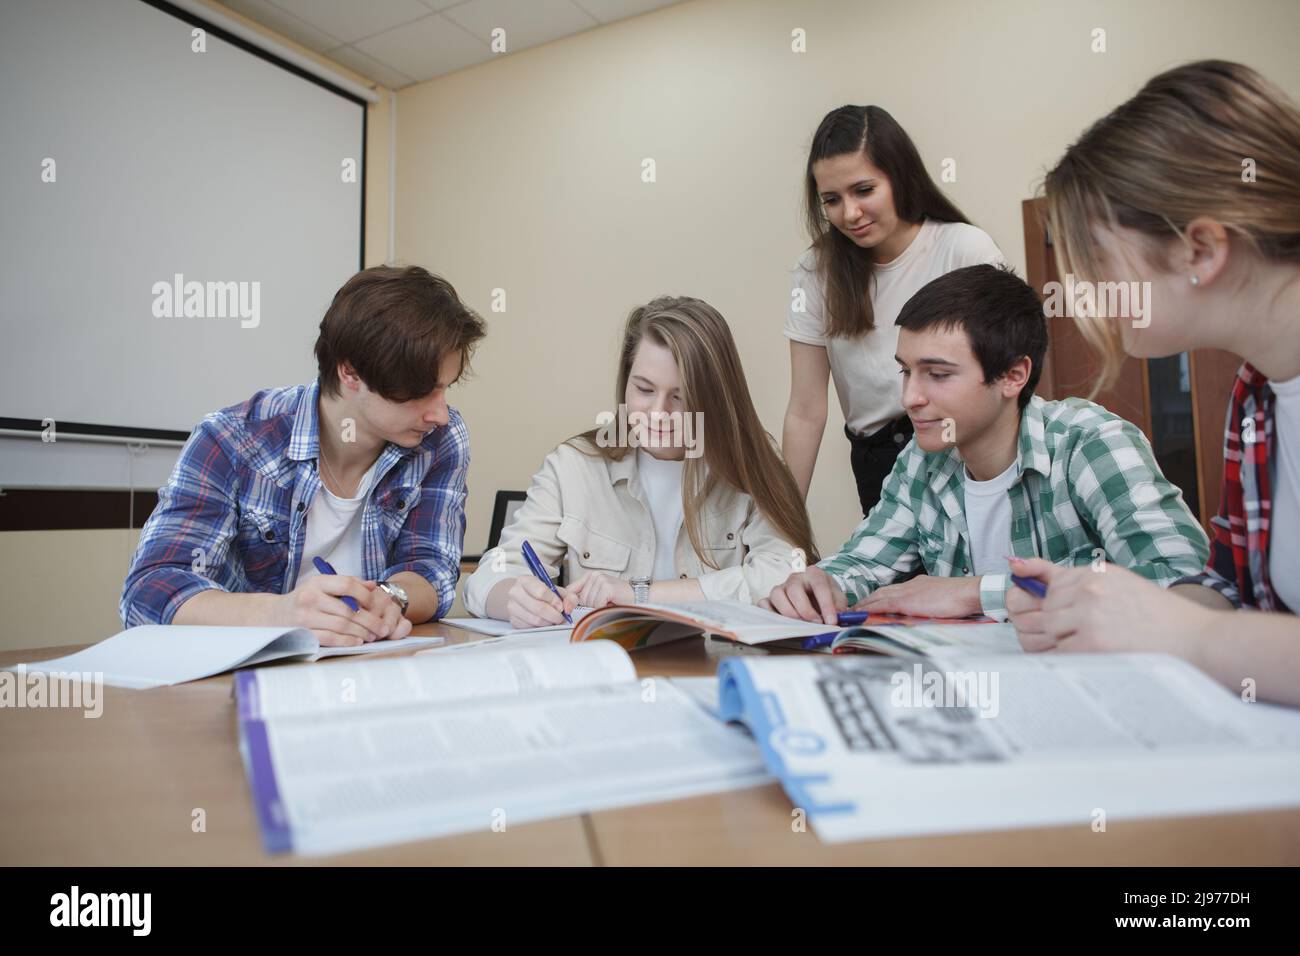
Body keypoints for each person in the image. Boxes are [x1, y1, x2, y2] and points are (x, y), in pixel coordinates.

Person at [1007, 60, 1300, 706]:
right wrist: (1105, 609)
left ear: (1200, 249)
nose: (1082, 294)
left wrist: (1186, 635)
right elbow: (1230, 587)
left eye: (1099, 265)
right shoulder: (1258, 395)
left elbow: (1207, 631)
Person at [763, 264, 1209, 623]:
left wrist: (975, 593)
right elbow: (863, 561)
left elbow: (1183, 582)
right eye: (906, 371)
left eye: (937, 375)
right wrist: (822, 582)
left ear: (1013, 376)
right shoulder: (921, 459)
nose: (910, 398)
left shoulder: (1090, 443)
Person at [121, 265, 485, 645]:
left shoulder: (440, 438)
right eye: (421, 391)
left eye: (446, 388)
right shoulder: (233, 438)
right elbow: (148, 591)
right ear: (350, 373)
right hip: (243, 682)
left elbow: (431, 569)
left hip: (374, 667)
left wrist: (388, 598)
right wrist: (281, 614)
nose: (440, 413)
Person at [464, 295, 817, 628]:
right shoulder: (573, 466)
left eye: (681, 397)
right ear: (625, 381)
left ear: (714, 396)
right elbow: (490, 576)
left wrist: (639, 596)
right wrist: (512, 598)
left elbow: (785, 574)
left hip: (713, 668)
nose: (658, 414)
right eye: (645, 390)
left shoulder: (751, 464)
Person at [782, 104, 1005, 516]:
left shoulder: (964, 249)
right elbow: (805, 411)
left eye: (864, 190)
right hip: (878, 463)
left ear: (899, 175)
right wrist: (781, 524)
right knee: (891, 581)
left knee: (982, 577)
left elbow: (1007, 376)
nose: (850, 213)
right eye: (832, 199)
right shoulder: (816, 272)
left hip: (965, 448)